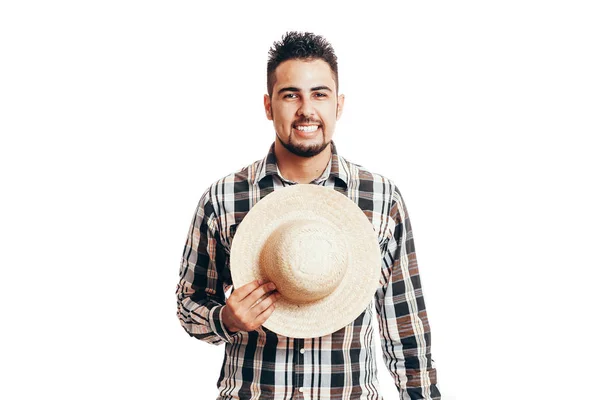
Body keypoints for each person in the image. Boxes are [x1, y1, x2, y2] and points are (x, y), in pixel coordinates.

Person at [176, 31, 441, 400]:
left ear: (339, 104)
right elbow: (189, 303)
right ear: (268, 106)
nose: (306, 109)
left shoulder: (381, 198)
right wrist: (226, 320)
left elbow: (406, 328)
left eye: (319, 94)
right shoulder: (224, 198)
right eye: (290, 95)